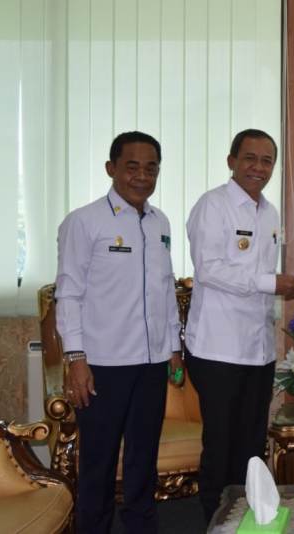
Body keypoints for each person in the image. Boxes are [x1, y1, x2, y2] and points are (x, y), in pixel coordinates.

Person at [55, 131, 183, 533]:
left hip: (151, 363)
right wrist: (76, 359)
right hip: (103, 365)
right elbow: (68, 294)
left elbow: (165, 288)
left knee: (143, 461)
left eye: (151, 168)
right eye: (132, 167)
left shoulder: (160, 222)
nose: (142, 176)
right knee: (99, 463)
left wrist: (174, 346)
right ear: (111, 168)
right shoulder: (84, 221)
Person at [185, 129, 294, 521]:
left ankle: (244, 518)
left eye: (267, 160)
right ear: (231, 161)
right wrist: (273, 283)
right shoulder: (213, 205)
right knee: (220, 445)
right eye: (250, 158)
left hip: (257, 350)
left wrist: (285, 283)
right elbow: (209, 270)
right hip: (217, 348)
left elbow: (260, 276)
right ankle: (215, 520)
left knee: (251, 445)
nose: (259, 167)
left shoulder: (269, 212)